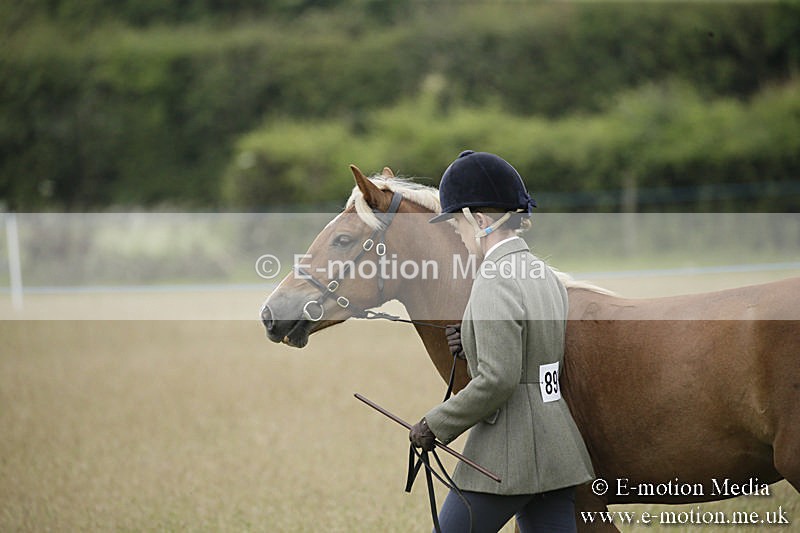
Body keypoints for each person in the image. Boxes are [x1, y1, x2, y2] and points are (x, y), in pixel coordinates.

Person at [409, 150, 594, 532]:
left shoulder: (493, 279)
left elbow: (499, 378)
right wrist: (474, 338)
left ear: (477, 220)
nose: (458, 236)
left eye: (457, 225)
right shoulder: (544, 274)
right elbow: (535, 351)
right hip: (557, 446)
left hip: (507, 455)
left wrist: (435, 424)